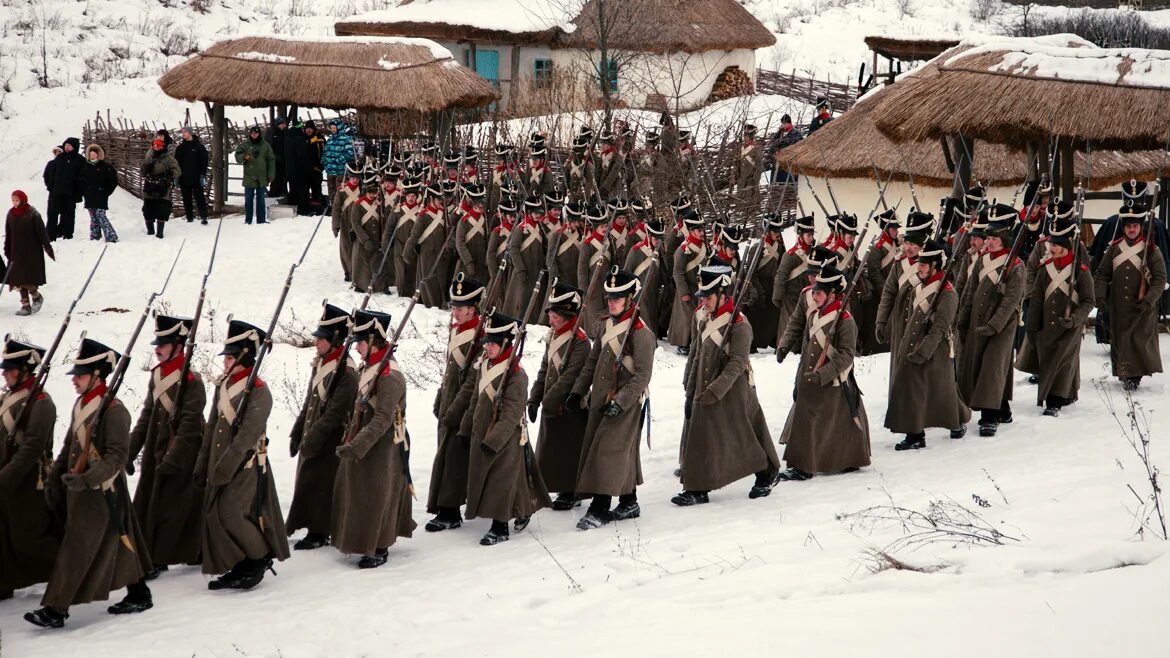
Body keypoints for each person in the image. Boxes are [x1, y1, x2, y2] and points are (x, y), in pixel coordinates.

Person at [26, 338, 152, 628]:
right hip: (82, 489)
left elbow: (117, 456)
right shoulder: (83, 404)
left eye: (80, 374)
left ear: (97, 374)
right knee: (115, 541)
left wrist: (87, 480)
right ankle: (139, 591)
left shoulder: (114, 410)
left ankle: (56, 609)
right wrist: (56, 478)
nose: (74, 380)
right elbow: (70, 445)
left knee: (77, 547)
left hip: (102, 490)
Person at [195, 319, 290, 591]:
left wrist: (224, 468)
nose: (224, 362)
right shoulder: (223, 386)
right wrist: (203, 465)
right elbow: (212, 428)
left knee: (231, 513)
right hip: (220, 463)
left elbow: (247, 437)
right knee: (217, 514)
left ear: (244, 358)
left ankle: (258, 558)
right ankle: (240, 561)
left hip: (245, 465)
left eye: (230, 357)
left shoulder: (260, 392)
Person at [676, 262, 780, 504]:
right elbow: (696, 352)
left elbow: (736, 364)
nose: (704, 302)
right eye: (702, 297)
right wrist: (690, 388)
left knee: (742, 434)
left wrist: (716, 391)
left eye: (709, 298)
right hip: (706, 385)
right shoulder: (702, 317)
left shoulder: (740, 325)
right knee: (702, 434)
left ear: (723, 295)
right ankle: (698, 488)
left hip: (733, 389)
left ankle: (766, 472)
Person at [444, 312, 551, 545]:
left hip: (505, 437)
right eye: (487, 342)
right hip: (481, 431)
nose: (488, 347)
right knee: (501, 478)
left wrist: (493, 440)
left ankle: (500, 527)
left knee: (500, 480)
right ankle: (524, 509)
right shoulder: (485, 365)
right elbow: (475, 400)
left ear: (505, 343)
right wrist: (464, 428)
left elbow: (511, 415)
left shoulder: (517, 375)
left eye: (493, 343)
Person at [569, 268, 656, 530]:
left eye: (618, 298)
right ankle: (629, 501)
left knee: (608, 452)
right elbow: (593, 361)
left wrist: (620, 402)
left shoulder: (641, 333)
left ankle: (600, 506)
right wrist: (577, 390)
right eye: (609, 298)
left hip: (626, 403)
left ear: (630, 298)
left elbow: (642, 375)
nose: (612, 302)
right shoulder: (606, 324)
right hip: (601, 399)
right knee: (619, 452)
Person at [332, 309, 416, 566]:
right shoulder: (371, 367)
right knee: (363, 493)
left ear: (372, 341)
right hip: (367, 439)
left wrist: (356, 445)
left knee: (379, 495)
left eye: (359, 342)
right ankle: (361, 539)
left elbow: (382, 419)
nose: (356, 347)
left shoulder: (390, 375)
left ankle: (379, 546)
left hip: (383, 445)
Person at [126, 315, 207, 578]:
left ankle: (161, 557)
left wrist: (174, 458)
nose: (157, 348)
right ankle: (152, 553)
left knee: (174, 508)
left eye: (163, 344)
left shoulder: (192, 381)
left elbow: (190, 425)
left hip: (183, 453)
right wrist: (131, 450)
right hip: (156, 449)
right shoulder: (158, 375)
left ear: (179, 345)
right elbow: (147, 415)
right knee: (150, 503)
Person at [775, 266, 871, 480]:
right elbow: (809, 347)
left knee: (837, 425)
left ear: (832, 294)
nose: (814, 295)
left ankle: (824, 463)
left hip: (832, 380)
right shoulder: (815, 315)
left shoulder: (845, 321)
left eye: (818, 292)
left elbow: (846, 355)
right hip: (811, 376)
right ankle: (801, 465)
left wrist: (823, 374)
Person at [885, 241, 971, 450]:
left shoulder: (948, 293)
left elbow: (940, 328)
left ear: (935, 266)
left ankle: (958, 420)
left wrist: (923, 351)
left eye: (924, 265)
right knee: (913, 389)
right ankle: (915, 435)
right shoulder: (918, 286)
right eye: (919, 264)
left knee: (942, 390)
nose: (919, 268)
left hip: (933, 349)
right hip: (912, 345)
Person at [287, 304, 358, 551]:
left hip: (330, 437)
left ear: (335, 339)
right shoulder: (323, 363)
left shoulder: (346, 371)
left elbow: (335, 412)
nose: (316, 343)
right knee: (308, 482)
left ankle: (320, 530)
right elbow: (310, 401)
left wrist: (314, 437)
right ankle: (312, 527)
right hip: (313, 432)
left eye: (321, 339)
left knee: (322, 485)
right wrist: (297, 431)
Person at [956, 211, 1026, 436]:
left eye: (995, 239)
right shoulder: (982, 261)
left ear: (1004, 239)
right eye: (988, 238)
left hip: (1002, 326)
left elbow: (1011, 301)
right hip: (978, 321)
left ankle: (989, 415)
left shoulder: (1016, 265)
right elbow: (969, 293)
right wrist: (963, 319)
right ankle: (1002, 406)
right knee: (980, 365)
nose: (990, 242)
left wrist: (994, 325)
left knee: (992, 366)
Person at [0, 339, 59, 602]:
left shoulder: (41, 402)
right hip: (7, 478)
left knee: (28, 539)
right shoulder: (9, 398)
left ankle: (65, 570)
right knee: (3, 534)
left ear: (25, 369)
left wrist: (7, 477)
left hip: (27, 480)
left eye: (10, 368)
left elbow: (33, 446)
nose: (4, 372)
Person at [427, 275, 486, 531]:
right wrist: (442, 395)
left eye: (460, 308)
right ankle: (445, 505)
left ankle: (450, 510)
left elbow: (472, 378)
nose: (455, 312)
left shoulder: (481, 335)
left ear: (473, 308)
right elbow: (451, 370)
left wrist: (454, 408)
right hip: (450, 398)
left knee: (453, 458)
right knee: (446, 454)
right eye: (453, 307)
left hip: (464, 403)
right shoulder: (458, 330)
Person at [529, 282, 591, 510]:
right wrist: (534, 398)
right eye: (551, 314)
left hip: (568, 405)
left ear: (566, 315)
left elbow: (570, 377)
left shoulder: (581, 343)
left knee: (569, 451)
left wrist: (549, 401)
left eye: (555, 315)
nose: (550, 319)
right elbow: (544, 370)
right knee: (551, 451)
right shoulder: (555, 336)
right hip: (551, 404)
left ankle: (571, 490)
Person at [1093, 205, 1166, 391]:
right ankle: (1125, 372)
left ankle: (1135, 375)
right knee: (1122, 339)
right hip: (1119, 305)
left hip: (1142, 305)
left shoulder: (1151, 250)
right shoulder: (1114, 248)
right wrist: (1100, 296)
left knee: (1138, 340)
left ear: (1141, 227)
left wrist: (1149, 299)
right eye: (1128, 226)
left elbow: (1160, 278)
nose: (1131, 229)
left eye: (1135, 226)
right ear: (1123, 228)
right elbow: (1102, 274)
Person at [1025, 221, 1094, 415]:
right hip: (1047, 325)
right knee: (1048, 360)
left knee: (1063, 361)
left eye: (1055, 245)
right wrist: (1032, 327)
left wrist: (1074, 319)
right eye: (1050, 245)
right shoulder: (1044, 269)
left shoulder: (1081, 271)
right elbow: (1037, 300)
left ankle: (1054, 401)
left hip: (1070, 326)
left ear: (1065, 247)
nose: (1050, 248)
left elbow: (1089, 301)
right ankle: (1063, 394)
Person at [5, 190, 55, 316]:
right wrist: (7, 248)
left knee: (27, 278)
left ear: (23, 199)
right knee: (17, 280)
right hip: (16, 251)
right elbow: (8, 233)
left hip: (30, 252)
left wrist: (47, 247)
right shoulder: (11, 214)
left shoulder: (32, 214)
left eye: (17, 200)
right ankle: (25, 305)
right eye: (13, 200)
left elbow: (42, 232)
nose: (15, 203)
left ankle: (36, 297)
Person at [772, 214, 817, 348]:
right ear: (801, 235)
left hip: (808, 297)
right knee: (789, 326)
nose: (811, 238)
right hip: (791, 298)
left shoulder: (813, 254)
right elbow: (781, 276)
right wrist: (778, 296)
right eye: (808, 235)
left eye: (812, 235)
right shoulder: (790, 256)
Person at [743, 214, 786, 350]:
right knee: (756, 318)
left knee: (773, 316)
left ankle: (772, 338)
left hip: (773, 287)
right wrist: (757, 291)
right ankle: (752, 343)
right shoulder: (757, 248)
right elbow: (751, 273)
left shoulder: (779, 247)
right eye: (775, 231)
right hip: (760, 287)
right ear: (767, 231)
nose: (778, 234)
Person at [668, 208, 708, 354]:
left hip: (701, 287)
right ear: (690, 231)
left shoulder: (704, 246)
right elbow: (677, 273)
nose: (701, 233)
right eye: (698, 230)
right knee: (686, 318)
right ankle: (684, 344)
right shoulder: (682, 250)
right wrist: (684, 292)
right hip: (688, 289)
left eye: (702, 229)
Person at [404, 184, 451, 308]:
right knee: (429, 279)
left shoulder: (443, 214)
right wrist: (407, 252)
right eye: (438, 199)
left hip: (440, 254)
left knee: (440, 279)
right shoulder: (424, 215)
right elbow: (414, 235)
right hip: (427, 253)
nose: (441, 201)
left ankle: (440, 302)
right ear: (431, 199)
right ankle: (432, 303)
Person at [347, 174, 389, 293]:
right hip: (362, 239)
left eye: (375, 192)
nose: (373, 194)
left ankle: (380, 286)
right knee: (362, 263)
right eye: (370, 192)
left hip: (376, 238)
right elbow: (355, 224)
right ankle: (360, 285)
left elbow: (383, 220)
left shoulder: (379, 204)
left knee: (377, 262)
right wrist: (364, 240)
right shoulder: (358, 205)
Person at [233, 126, 276, 226]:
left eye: (256, 133)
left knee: (261, 200)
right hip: (249, 176)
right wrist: (245, 156)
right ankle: (248, 220)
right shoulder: (245, 145)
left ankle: (261, 220)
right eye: (252, 133)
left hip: (261, 176)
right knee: (248, 200)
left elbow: (271, 160)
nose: (254, 135)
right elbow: (237, 156)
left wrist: (271, 174)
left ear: (259, 134)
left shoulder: (265, 146)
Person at [141, 138, 182, 239]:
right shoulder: (149, 156)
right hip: (149, 186)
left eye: (158, 145)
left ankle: (160, 232)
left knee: (162, 209)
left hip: (163, 186)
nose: (156, 147)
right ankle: (150, 231)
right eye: (154, 145)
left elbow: (177, 170)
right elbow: (142, 170)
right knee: (147, 209)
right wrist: (146, 170)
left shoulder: (169, 158)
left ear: (163, 146)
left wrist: (169, 174)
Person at [44, 137, 84, 240]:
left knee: (69, 215)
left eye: (69, 145)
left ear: (74, 147)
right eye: (66, 145)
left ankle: (67, 235)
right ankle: (50, 236)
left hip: (70, 193)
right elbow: (50, 174)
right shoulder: (59, 158)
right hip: (56, 192)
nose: (67, 147)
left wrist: (76, 185)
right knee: (52, 214)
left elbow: (83, 176)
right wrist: (51, 186)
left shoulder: (80, 160)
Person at [80, 144, 119, 242]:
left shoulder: (105, 166)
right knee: (93, 216)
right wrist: (84, 191)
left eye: (94, 154)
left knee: (100, 214)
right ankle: (95, 235)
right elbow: (80, 180)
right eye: (91, 154)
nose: (92, 155)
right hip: (89, 195)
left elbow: (113, 181)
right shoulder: (85, 167)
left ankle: (111, 235)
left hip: (101, 195)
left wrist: (106, 191)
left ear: (98, 155)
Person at [175, 126, 210, 225]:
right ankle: (189, 217)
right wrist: (177, 176)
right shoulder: (181, 148)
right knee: (186, 198)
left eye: (185, 132)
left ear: (190, 133)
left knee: (199, 198)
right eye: (182, 132)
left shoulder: (199, 146)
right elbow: (176, 162)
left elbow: (204, 161)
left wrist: (202, 175)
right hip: (184, 177)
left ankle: (203, 216)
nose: (183, 134)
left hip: (196, 177)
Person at [455, 183, 489, 279]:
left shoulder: (485, 219)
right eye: (478, 203)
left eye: (482, 202)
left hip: (482, 263)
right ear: (473, 203)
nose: (481, 205)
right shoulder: (464, 221)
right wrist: (469, 263)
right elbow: (459, 244)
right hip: (467, 264)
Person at [322, 119, 354, 199]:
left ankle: (341, 209)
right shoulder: (330, 139)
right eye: (331, 128)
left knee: (340, 193)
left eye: (334, 128)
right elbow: (325, 152)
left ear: (339, 128)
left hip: (340, 172)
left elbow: (349, 154)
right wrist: (324, 162)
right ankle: (333, 207)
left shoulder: (347, 139)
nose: (332, 130)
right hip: (330, 171)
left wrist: (336, 161)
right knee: (331, 193)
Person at [767, 114, 803, 183]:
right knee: (776, 184)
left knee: (788, 184)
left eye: (784, 123)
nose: (782, 125)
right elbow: (772, 145)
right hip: (777, 164)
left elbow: (797, 148)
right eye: (782, 124)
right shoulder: (780, 134)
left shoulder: (796, 134)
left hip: (788, 164)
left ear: (789, 123)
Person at [266, 117, 289, 201]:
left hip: (282, 160)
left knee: (281, 179)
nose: (284, 125)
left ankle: (279, 196)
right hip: (275, 160)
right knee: (275, 180)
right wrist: (275, 157)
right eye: (282, 124)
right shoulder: (272, 132)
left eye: (284, 124)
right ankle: (273, 197)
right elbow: (269, 146)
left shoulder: (283, 133)